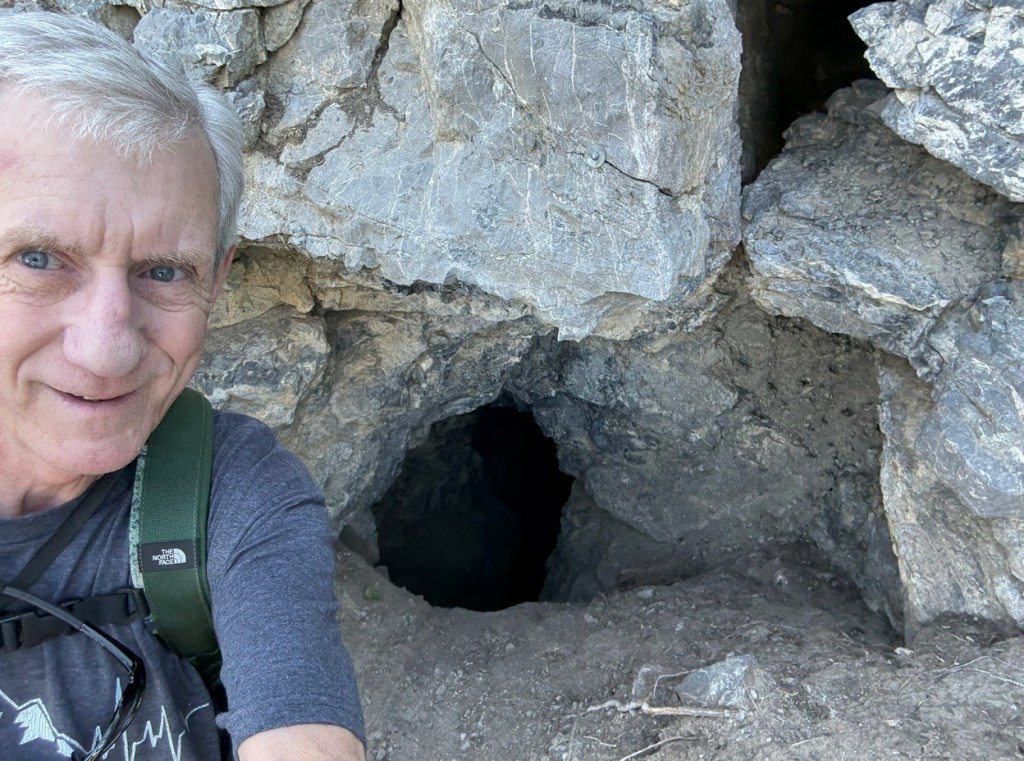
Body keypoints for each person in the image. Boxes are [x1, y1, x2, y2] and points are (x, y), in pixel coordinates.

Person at [0, 11, 366, 760]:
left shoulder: (228, 491)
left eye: (164, 272)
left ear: (217, 280)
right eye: (39, 259)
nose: (107, 347)